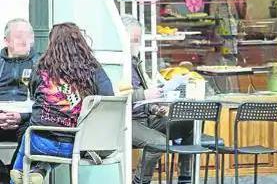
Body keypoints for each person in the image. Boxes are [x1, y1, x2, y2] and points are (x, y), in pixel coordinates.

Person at [10, 22, 114, 184]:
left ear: (51, 44)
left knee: (28, 135)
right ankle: (39, 170)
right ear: (81, 43)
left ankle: (20, 170)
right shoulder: (93, 69)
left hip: (40, 142)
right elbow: (108, 98)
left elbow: (33, 94)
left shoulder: (40, 67)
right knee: (59, 144)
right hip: (77, 144)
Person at [121, 15, 193, 184]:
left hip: (145, 117)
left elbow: (143, 100)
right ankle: (140, 182)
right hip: (126, 121)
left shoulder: (135, 62)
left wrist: (154, 108)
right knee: (158, 142)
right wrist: (144, 95)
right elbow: (114, 94)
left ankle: (185, 177)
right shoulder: (114, 64)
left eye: (139, 39)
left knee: (188, 122)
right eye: (134, 39)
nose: (137, 43)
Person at [0, 19, 39, 179]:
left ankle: (14, 175)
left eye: (29, 36)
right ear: (6, 41)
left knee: (34, 132)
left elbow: (46, 102)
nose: (25, 41)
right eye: (19, 36)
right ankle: (3, 175)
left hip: (25, 121)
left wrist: (22, 116)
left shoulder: (40, 64)